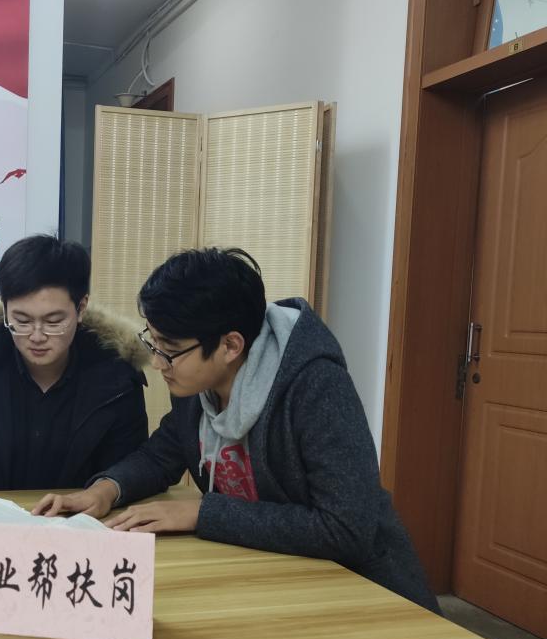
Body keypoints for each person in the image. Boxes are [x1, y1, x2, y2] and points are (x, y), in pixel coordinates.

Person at [32, 248, 440, 613]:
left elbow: (345, 529)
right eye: (153, 343)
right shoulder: (197, 382)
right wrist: (105, 491)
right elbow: (163, 452)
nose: (157, 364)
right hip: (275, 581)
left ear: (230, 345)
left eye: (169, 350)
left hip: (365, 594)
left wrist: (202, 512)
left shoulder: (316, 387)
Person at [0, 235, 149, 490]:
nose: (37, 337)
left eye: (54, 322)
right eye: (22, 321)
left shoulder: (116, 378)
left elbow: (127, 472)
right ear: (5, 309)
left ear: (81, 308)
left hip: (83, 514)